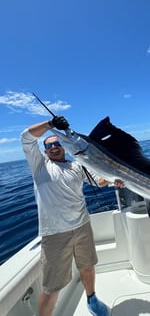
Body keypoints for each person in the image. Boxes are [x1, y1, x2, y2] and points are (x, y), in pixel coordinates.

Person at [21, 115, 124, 316]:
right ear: (44, 150)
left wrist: (114, 180)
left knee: (87, 267)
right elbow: (25, 136)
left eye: (58, 143)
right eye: (49, 144)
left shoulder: (77, 165)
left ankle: (92, 300)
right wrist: (50, 125)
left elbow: (98, 181)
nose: (54, 146)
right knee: (53, 286)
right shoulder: (39, 165)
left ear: (64, 146)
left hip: (82, 225)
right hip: (55, 233)